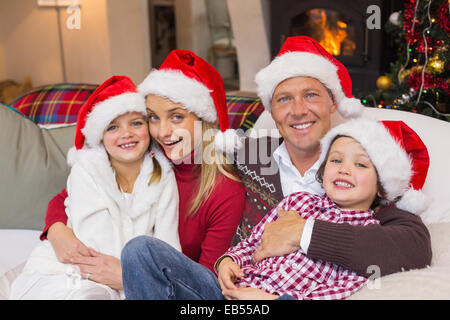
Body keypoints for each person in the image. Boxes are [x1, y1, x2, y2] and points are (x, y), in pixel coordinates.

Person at [120, 118, 430, 300]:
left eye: (360, 164)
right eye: (336, 160)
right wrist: (227, 261)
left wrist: (272, 300)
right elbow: (250, 243)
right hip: (226, 294)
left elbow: (339, 291)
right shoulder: (298, 203)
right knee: (140, 249)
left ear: (381, 186)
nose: (344, 169)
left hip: (276, 301)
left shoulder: (370, 234)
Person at [231, 35, 432, 278]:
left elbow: (413, 248)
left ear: (333, 102)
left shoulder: (357, 171)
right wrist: (223, 263)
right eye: (284, 99)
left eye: (311, 95)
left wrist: (303, 232)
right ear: (272, 111)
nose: (298, 111)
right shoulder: (246, 154)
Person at [38, 50, 246, 283]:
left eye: (176, 117)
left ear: (203, 119)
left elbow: (207, 284)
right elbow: (68, 195)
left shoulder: (225, 191)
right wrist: (56, 231)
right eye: (153, 118)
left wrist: (130, 277)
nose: (163, 132)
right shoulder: (148, 154)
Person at [9, 76, 180, 299]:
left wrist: (144, 279)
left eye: (136, 123)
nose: (126, 133)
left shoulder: (163, 176)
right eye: (113, 127)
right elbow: (94, 245)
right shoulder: (86, 172)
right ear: (100, 136)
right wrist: (133, 277)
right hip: (75, 269)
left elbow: (169, 248)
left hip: (126, 277)